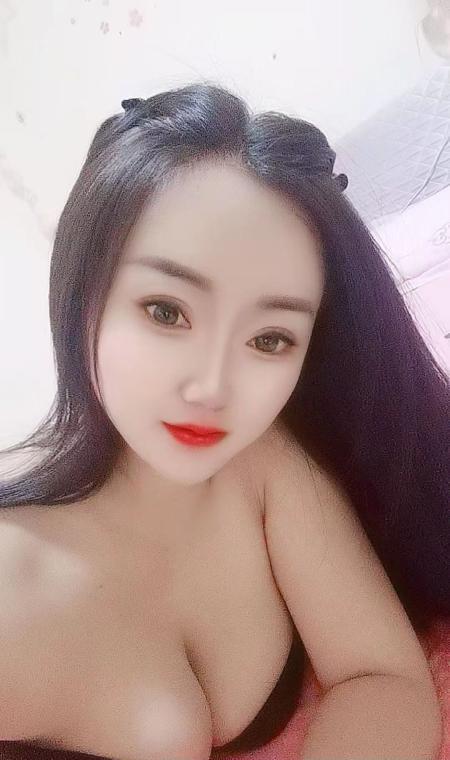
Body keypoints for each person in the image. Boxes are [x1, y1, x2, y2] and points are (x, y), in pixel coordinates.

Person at [0, 81, 448, 760]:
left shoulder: (261, 465)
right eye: (166, 311)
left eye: (270, 339)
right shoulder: (14, 584)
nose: (212, 388)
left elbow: (379, 677)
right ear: (85, 293)